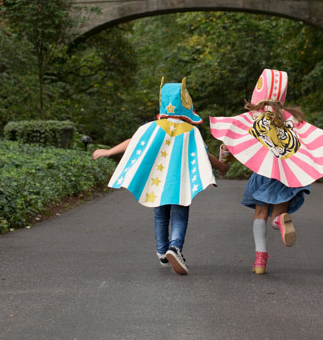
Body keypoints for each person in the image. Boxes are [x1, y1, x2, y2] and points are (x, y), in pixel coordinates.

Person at [210, 69, 323, 275]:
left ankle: (260, 261)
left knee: (260, 213)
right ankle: (280, 220)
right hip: (287, 176)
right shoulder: (290, 119)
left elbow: (228, 142)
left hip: (264, 173)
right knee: (276, 216)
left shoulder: (252, 117)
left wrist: (224, 164)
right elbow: (307, 147)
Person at [93, 78, 229, 275]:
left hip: (157, 181)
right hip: (179, 183)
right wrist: (221, 167)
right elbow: (203, 154)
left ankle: (162, 251)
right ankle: (174, 247)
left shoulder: (151, 127)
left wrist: (109, 151)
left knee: (160, 214)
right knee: (180, 215)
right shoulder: (191, 131)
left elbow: (133, 142)